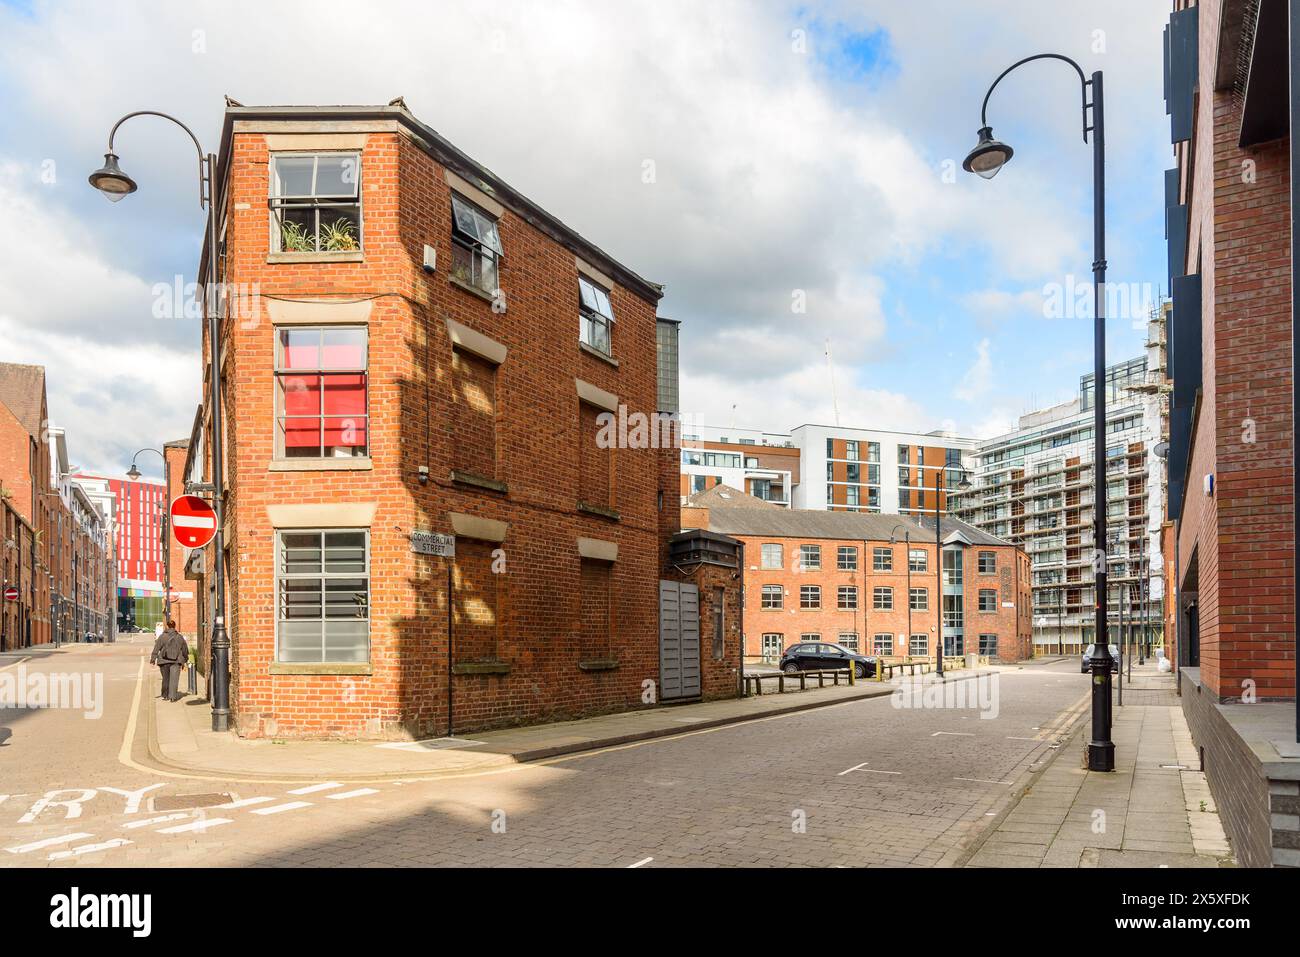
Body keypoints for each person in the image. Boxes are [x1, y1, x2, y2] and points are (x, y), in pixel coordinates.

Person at [150, 619, 190, 702]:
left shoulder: (162, 636)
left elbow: (156, 648)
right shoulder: (179, 637)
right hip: (176, 661)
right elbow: (185, 649)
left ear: (167, 626)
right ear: (175, 626)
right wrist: (185, 659)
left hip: (163, 661)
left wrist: (153, 659)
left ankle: (165, 695)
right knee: (174, 679)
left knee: (165, 678)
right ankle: (172, 697)